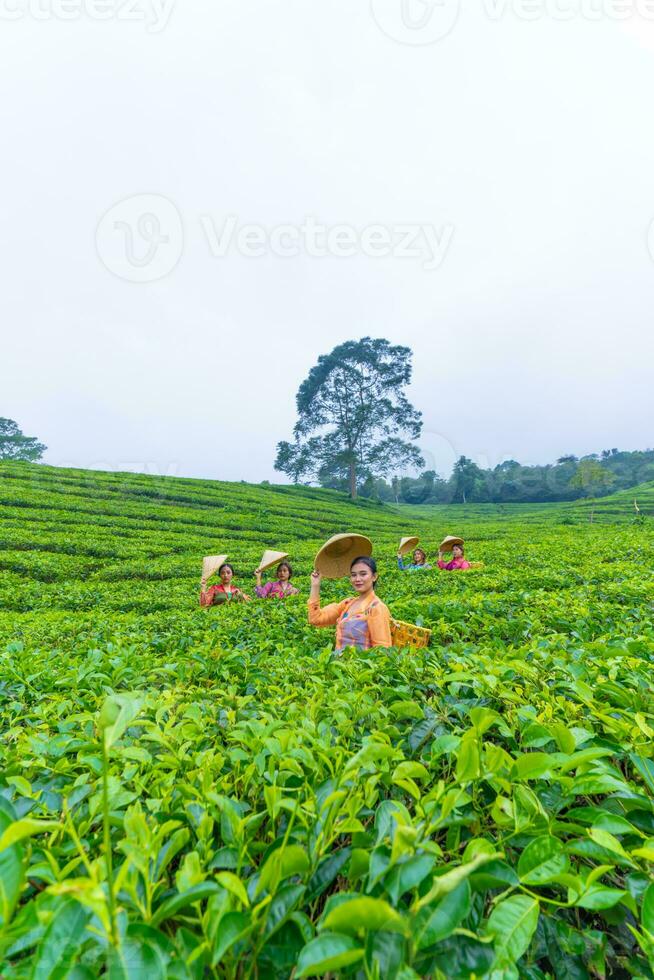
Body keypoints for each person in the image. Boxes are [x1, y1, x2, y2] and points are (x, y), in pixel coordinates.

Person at [308, 556, 392, 652]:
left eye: (363, 574)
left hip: (358, 665)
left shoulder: (377, 608)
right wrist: (315, 585)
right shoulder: (348, 603)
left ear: (374, 576)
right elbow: (315, 619)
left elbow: (382, 650)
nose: (357, 579)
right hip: (338, 664)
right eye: (353, 575)